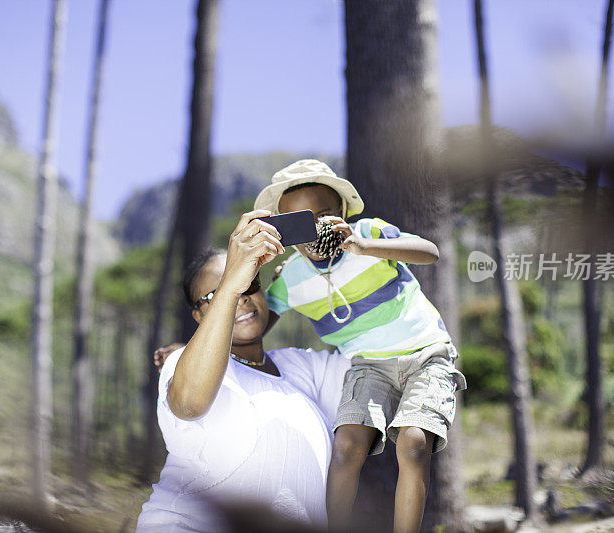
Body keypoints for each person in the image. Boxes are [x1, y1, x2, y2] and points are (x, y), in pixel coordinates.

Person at [254, 159, 467, 533]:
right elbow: (250, 324)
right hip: (368, 365)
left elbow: (429, 251)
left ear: (341, 216)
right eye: (298, 223)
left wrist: (366, 246)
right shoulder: (291, 281)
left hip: (426, 353)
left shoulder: (369, 234)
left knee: (414, 443)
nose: (314, 230)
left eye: (323, 216)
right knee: (347, 446)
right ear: (285, 232)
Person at [135, 211, 350, 533]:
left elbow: (386, 360)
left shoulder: (304, 367)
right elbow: (190, 403)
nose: (242, 299)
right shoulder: (182, 361)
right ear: (198, 314)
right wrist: (232, 283)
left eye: (250, 284)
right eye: (216, 295)